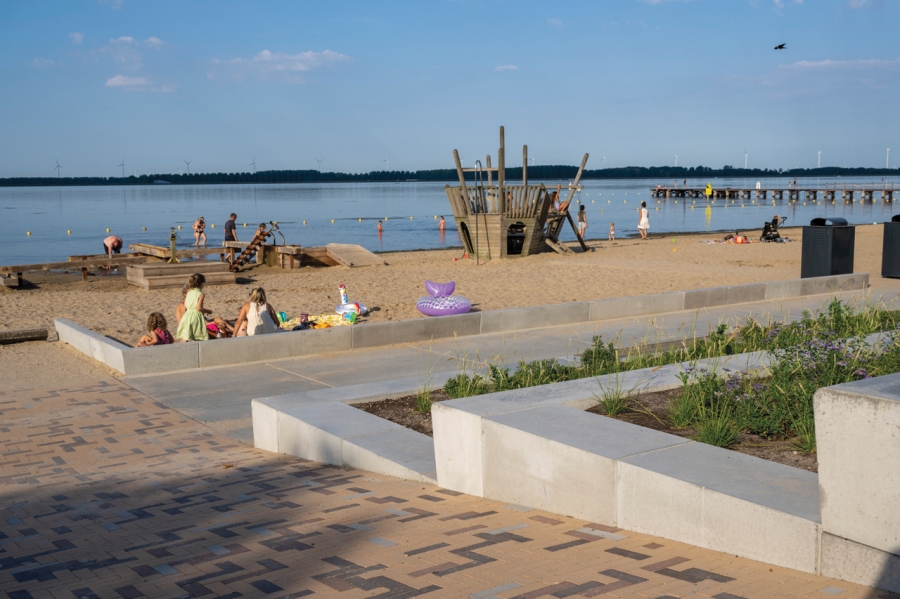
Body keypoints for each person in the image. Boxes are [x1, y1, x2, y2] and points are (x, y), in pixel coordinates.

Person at [176, 273, 209, 341]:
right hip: (196, 316)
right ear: (202, 284)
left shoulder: (189, 293)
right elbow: (199, 308)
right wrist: (208, 311)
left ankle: (181, 349)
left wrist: (184, 317)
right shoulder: (201, 294)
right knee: (199, 335)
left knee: (186, 336)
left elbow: (185, 307)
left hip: (187, 315)